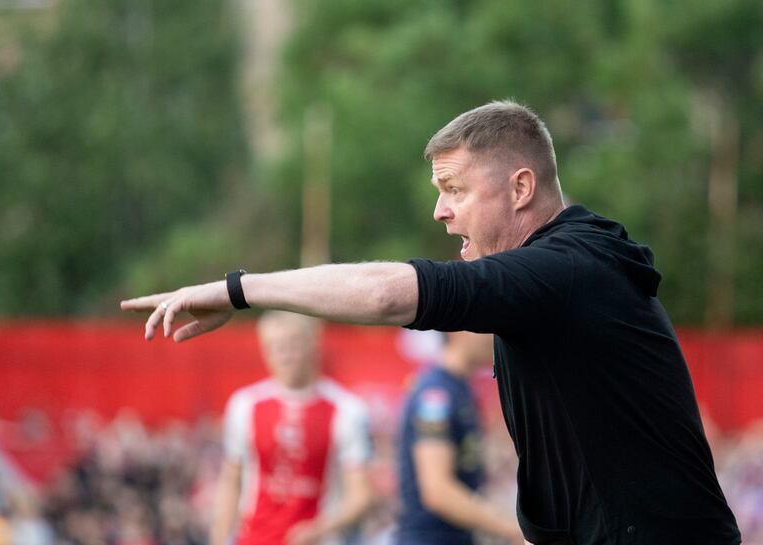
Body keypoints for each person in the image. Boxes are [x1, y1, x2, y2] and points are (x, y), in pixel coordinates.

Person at [122, 100, 741, 545]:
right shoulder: (561, 276)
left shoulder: (566, 268)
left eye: (453, 188)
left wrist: (238, 290)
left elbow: (391, 294)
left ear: (521, 187)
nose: (440, 211)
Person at [209, 311, 373, 545]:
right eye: (273, 347)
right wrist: (219, 538)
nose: (283, 356)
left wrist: (321, 528)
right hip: (254, 538)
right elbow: (230, 482)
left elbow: (362, 496)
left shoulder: (346, 409)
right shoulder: (245, 404)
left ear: (313, 344)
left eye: (291, 345)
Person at [396, 330, 522, 545]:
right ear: (456, 330)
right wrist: (515, 531)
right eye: (485, 327)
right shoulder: (436, 394)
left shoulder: (460, 389)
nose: (492, 336)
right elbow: (438, 491)